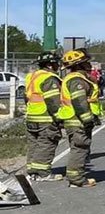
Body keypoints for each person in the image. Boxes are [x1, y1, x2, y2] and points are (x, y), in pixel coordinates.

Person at [58, 48, 103, 188]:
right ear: (79, 65)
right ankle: (77, 179)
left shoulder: (79, 78)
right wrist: (88, 119)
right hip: (78, 120)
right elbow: (79, 101)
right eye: (86, 63)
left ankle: (75, 177)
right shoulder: (77, 80)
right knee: (80, 148)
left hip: (75, 120)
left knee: (78, 148)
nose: (90, 66)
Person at [24, 52, 64, 182]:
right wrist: (60, 118)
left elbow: (27, 97)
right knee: (46, 143)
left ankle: (32, 171)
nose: (58, 65)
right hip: (46, 118)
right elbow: (53, 101)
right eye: (56, 63)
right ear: (50, 65)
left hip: (31, 116)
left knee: (34, 145)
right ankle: (43, 173)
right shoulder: (50, 78)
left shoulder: (32, 76)